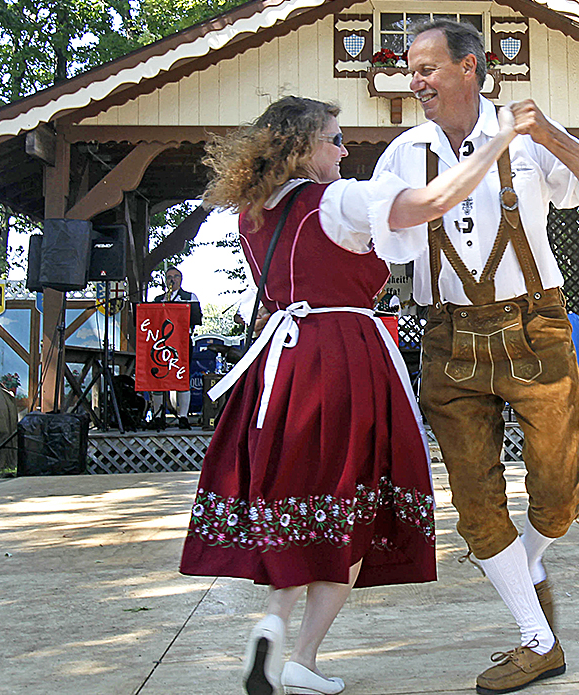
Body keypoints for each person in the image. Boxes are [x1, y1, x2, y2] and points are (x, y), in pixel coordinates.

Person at [179, 95, 520, 695]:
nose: (344, 150)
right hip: (343, 358)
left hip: (282, 368)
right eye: (333, 139)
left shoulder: (254, 211)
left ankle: (273, 626)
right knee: (353, 509)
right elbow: (434, 202)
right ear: (300, 148)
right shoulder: (334, 199)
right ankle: (302, 657)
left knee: (302, 506)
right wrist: (498, 142)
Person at [373, 19, 579, 694]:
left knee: (559, 489)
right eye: (411, 69)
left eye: (426, 67)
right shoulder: (403, 153)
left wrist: (551, 136)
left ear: (469, 68)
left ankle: (531, 558)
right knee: (474, 500)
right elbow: (381, 246)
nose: (415, 80)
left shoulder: (528, 142)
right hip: (448, 338)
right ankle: (536, 636)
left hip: (535, 327)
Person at [151, 266, 201, 429]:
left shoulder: (189, 297)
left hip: (181, 341)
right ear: (165, 280)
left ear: (181, 279)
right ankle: (158, 416)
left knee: (182, 377)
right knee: (158, 378)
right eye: (169, 277)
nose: (172, 279)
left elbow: (196, 317)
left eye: (176, 276)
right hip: (162, 342)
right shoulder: (158, 299)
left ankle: (183, 416)